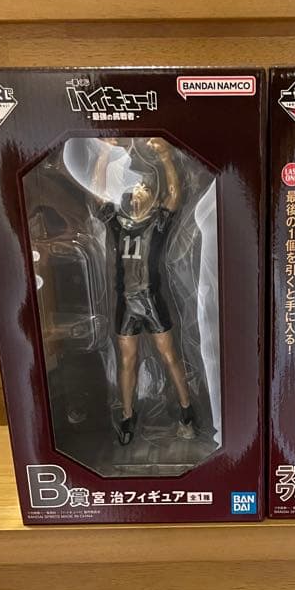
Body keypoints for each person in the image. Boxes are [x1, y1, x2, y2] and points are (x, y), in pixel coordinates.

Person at [97, 137, 197, 445]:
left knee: (169, 356)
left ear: (153, 196)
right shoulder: (117, 223)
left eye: (144, 189)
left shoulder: (159, 222)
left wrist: (166, 156)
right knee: (127, 360)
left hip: (151, 299)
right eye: (135, 189)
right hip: (126, 301)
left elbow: (175, 194)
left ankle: (186, 411)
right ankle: (127, 415)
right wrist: (104, 153)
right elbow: (97, 192)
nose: (138, 193)